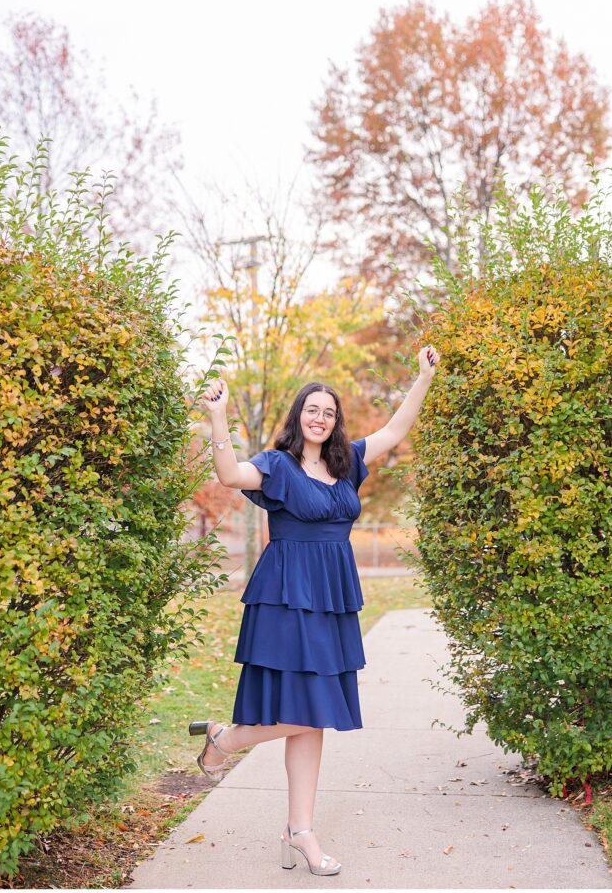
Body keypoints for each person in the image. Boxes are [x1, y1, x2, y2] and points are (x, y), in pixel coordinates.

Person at [190, 343, 440, 876]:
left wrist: (421, 378)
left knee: (314, 716)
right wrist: (219, 417)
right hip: (285, 593)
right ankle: (227, 739)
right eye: (313, 409)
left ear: (336, 421)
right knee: (303, 710)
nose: (321, 418)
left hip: (331, 596)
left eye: (329, 412)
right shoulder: (277, 466)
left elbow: (396, 431)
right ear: (298, 416)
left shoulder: (346, 464)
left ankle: (298, 830)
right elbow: (230, 475)